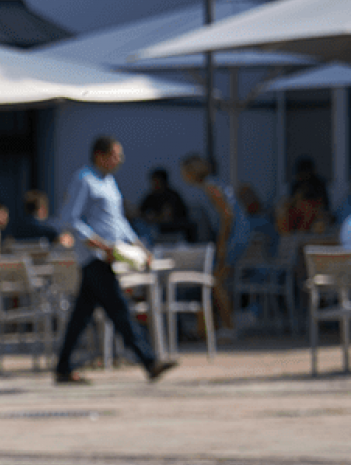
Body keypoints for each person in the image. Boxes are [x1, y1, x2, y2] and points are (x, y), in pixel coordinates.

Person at [52, 136, 177, 385]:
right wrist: (101, 244)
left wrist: (139, 246)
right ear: (100, 155)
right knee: (119, 310)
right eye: (115, 155)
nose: (120, 160)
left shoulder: (109, 182)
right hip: (95, 256)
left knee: (81, 316)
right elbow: (70, 219)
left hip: (109, 256)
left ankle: (63, 367)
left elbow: (118, 222)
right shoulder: (84, 180)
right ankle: (149, 361)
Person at [179, 154, 238, 334]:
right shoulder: (211, 184)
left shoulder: (210, 186)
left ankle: (229, 327)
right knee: (215, 281)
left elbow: (227, 215)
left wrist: (222, 244)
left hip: (232, 237)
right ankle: (216, 327)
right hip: (230, 236)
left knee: (217, 281)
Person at [277, 157, 332, 234]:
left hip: (314, 216)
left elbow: (324, 205)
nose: (303, 175)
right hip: (299, 217)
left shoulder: (319, 183)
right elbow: (292, 203)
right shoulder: (296, 184)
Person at [137, 167, 190, 241]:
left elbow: (168, 217)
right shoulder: (151, 196)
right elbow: (140, 212)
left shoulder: (172, 196)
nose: (154, 184)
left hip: (175, 233)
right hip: (156, 233)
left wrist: (154, 217)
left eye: (156, 181)